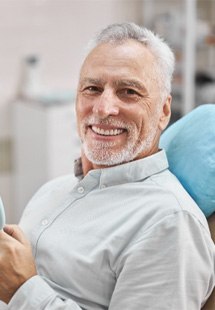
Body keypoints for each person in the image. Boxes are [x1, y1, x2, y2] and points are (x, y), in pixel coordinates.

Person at [0, 22, 214, 310]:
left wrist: (22, 289)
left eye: (128, 92)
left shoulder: (169, 222)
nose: (103, 108)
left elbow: (18, 286)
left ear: (164, 110)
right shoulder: (54, 189)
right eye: (92, 88)